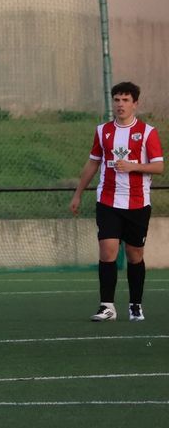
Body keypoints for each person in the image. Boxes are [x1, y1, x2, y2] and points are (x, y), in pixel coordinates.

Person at [69, 82, 161, 322]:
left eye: (126, 100)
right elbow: (92, 163)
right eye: (117, 100)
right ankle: (107, 306)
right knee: (107, 250)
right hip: (108, 200)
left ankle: (135, 305)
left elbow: (159, 166)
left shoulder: (147, 132)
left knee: (134, 255)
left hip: (138, 203)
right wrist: (78, 193)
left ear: (135, 104)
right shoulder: (103, 131)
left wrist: (134, 166)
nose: (120, 104)